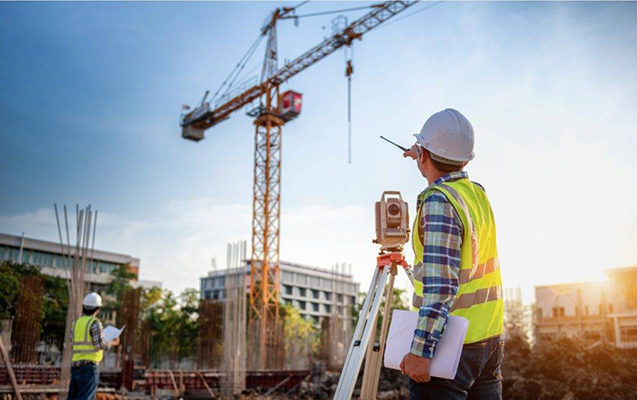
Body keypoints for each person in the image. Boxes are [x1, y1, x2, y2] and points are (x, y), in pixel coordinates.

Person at [400, 109, 504, 400]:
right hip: (488, 341)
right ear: (466, 158)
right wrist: (423, 154)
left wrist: (421, 351)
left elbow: (442, 285)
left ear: (424, 155)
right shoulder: (476, 194)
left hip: (451, 348)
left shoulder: (438, 202)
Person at [68, 292, 119, 400]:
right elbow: (99, 345)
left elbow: (72, 345)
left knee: (73, 397)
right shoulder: (95, 323)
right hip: (89, 368)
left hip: (75, 366)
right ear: (98, 309)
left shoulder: (76, 323)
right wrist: (112, 342)